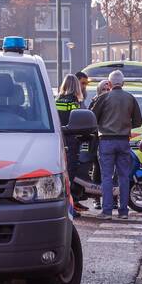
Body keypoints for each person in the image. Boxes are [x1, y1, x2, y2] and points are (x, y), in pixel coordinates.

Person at [91, 69, 141, 219]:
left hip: (106, 141)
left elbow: (93, 117)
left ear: (110, 83)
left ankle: (106, 211)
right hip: (124, 141)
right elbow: (138, 121)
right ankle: (123, 211)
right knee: (123, 176)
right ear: (123, 83)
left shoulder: (104, 97)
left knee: (106, 177)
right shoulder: (130, 98)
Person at [55, 74, 87, 215]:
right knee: (70, 174)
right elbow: (77, 122)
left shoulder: (57, 100)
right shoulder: (74, 102)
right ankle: (70, 208)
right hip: (71, 141)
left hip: (59, 140)